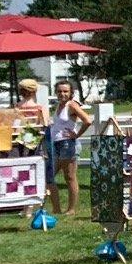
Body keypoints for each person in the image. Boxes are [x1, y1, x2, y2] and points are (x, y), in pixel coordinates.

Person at [46, 79, 91, 217]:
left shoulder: (71, 105)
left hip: (68, 144)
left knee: (69, 177)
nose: (62, 94)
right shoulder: (59, 105)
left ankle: (71, 210)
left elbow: (87, 120)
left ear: (71, 93)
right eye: (59, 91)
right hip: (56, 144)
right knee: (48, 176)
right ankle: (56, 209)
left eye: (65, 91)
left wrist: (76, 135)